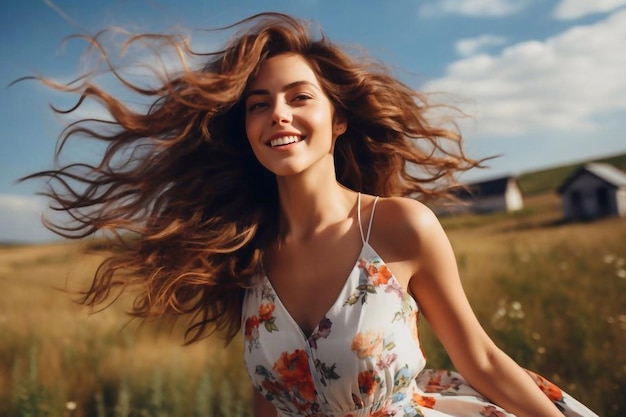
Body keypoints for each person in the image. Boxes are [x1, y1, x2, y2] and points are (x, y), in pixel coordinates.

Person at [24, 12, 598, 417]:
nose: (278, 114)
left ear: (338, 120)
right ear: (245, 129)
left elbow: (483, 361)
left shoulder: (398, 227)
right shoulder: (247, 252)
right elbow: (268, 399)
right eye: (259, 104)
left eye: (299, 97)